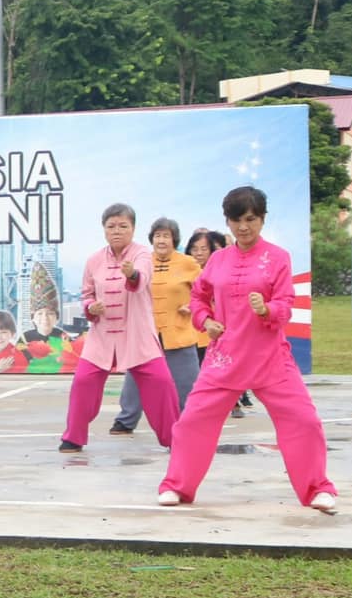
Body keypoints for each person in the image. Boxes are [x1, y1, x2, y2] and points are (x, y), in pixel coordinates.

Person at [158, 186, 338, 513]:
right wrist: (205, 321)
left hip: (270, 359)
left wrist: (266, 309)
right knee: (191, 422)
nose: (244, 227)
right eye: (236, 220)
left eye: (251, 219)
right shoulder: (217, 261)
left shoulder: (279, 257)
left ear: (263, 219)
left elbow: (285, 305)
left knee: (304, 421)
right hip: (224, 358)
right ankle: (177, 487)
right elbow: (198, 298)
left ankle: (317, 490)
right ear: (227, 222)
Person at [58, 204, 179, 451]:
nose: (117, 231)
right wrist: (91, 307)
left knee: (161, 382)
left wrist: (131, 274)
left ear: (133, 229)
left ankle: (174, 439)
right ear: (103, 230)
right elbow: (86, 294)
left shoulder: (143, 254)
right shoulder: (93, 260)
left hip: (138, 336)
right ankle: (73, 436)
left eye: (123, 226)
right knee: (83, 382)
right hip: (102, 337)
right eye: (111, 226)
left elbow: (142, 278)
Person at [112, 218, 201, 435]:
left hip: (178, 331)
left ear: (174, 240)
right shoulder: (142, 261)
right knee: (135, 378)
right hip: (146, 330)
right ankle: (125, 420)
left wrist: (192, 306)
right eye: (158, 236)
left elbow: (206, 292)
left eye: (166, 236)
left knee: (186, 383)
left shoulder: (188, 263)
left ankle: (187, 423)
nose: (162, 240)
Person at [184, 228, 249, 419]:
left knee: (224, 368)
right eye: (194, 248)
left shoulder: (221, 269)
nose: (198, 253)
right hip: (192, 330)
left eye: (203, 248)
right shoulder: (184, 268)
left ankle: (234, 401)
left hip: (217, 330)